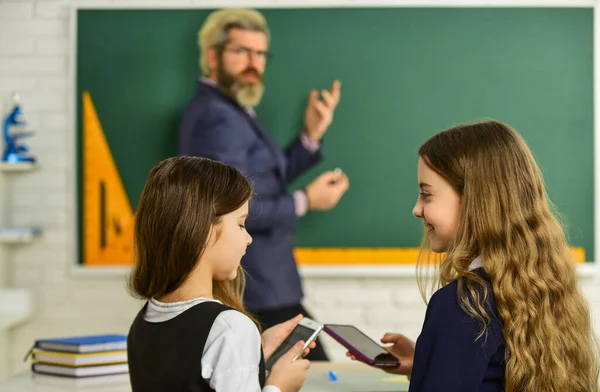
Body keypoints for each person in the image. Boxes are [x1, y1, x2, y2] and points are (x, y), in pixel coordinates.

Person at [349, 120, 599, 391]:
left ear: (473, 201)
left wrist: (434, 365)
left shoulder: (460, 306)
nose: (417, 209)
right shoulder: (542, 289)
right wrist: (429, 361)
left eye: (426, 195)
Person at [178, 8, 349, 361]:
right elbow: (231, 207)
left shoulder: (233, 109)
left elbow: (261, 180)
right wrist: (304, 200)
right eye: (242, 52)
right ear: (213, 56)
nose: (253, 63)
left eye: (260, 54)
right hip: (254, 284)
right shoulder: (218, 117)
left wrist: (310, 137)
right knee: (313, 374)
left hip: (265, 283)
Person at [126, 156, 316, 392]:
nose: (248, 238)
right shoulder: (229, 329)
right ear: (203, 230)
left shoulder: (144, 320)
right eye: (240, 224)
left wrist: (255, 353)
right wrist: (279, 386)